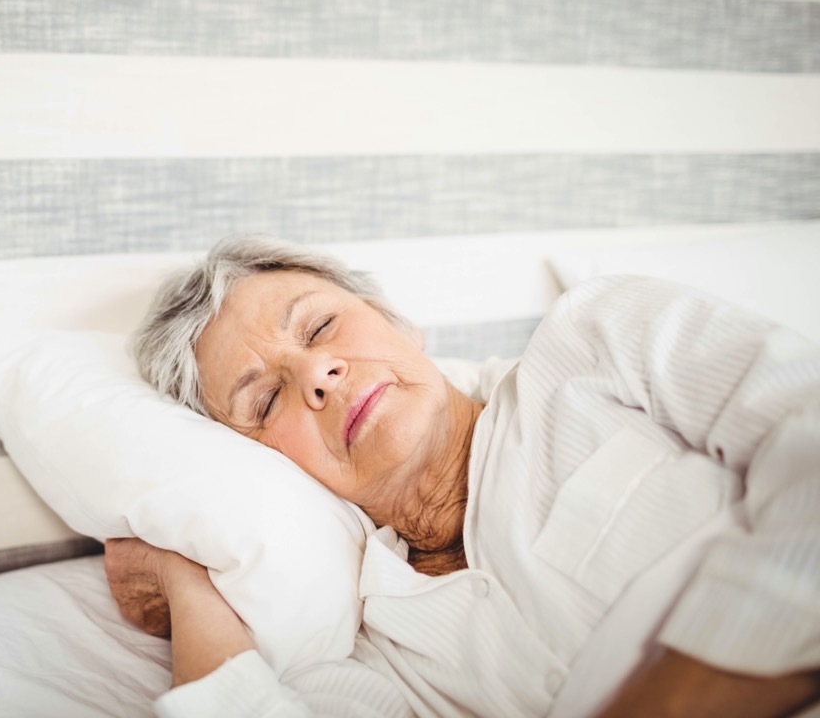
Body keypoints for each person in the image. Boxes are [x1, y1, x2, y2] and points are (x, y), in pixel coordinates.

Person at [104, 235, 820, 717]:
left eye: (319, 329)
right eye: (264, 399)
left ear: (397, 321)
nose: (318, 374)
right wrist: (188, 582)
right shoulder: (369, 647)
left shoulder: (595, 345)